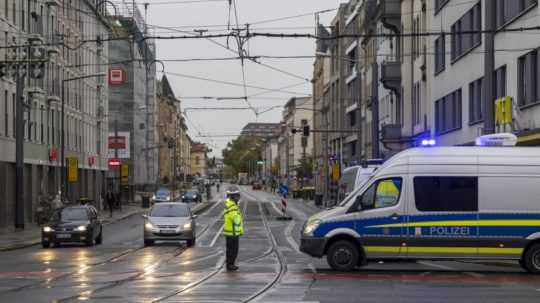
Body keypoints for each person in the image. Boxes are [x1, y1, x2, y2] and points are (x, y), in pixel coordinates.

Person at [223, 188, 244, 271]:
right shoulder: (232, 207)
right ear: (234, 197)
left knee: (230, 250)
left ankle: (230, 264)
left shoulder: (230, 205)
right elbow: (236, 220)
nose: (238, 198)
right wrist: (238, 217)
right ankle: (230, 265)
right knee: (233, 250)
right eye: (237, 196)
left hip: (230, 232)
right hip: (232, 233)